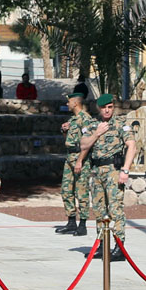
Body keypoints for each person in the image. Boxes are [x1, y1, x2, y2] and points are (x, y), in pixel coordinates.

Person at [77, 94, 137, 261]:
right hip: (96, 171)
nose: (107, 110)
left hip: (113, 170)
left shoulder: (120, 124)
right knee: (99, 209)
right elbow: (83, 145)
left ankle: (119, 247)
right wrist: (96, 134)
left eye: (110, 107)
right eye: (104, 108)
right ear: (99, 108)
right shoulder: (91, 125)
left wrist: (125, 170)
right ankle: (102, 245)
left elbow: (132, 145)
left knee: (115, 208)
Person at [56, 91, 94, 236]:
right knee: (66, 189)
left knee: (81, 190)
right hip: (70, 156)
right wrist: (64, 130)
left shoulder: (85, 119)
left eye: (69, 101)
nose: (67, 104)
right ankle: (71, 221)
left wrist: (80, 160)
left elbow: (87, 143)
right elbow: (69, 139)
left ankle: (83, 224)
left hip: (80, 157)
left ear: (76, 103)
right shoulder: (73, 119)